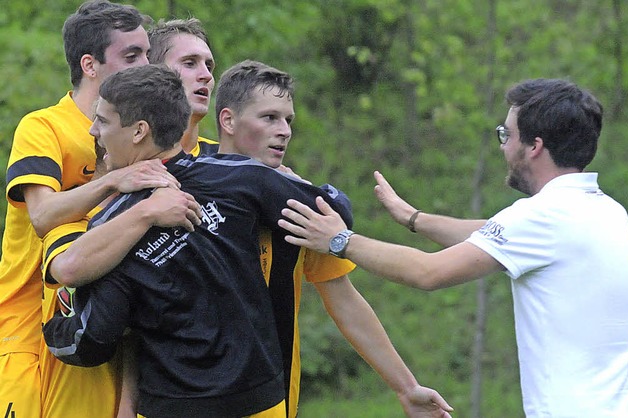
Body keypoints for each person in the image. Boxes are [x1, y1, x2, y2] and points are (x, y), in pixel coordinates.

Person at [42, 59, 453, 418]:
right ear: (227, 120)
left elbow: (342, 290)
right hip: (230, 399)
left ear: (138, 132)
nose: (284, 131)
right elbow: (108, 314)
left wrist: (405, 387)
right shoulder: (239, 182)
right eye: (270, 117)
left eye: (287, 120)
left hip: (240, 400)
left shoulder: (258, 189)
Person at [278, 78, 628, 418]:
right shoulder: (604, 210)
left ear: (535, 147)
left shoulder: (542, 217)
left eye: (507, 134)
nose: (502, 145)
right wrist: (412, 218)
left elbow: (428, 273)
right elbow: (488, 233)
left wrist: (339, 240)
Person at [0, 1, 181, 417]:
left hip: (103, 334)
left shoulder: (137, 138)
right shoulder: (44, 127)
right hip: (30, 337)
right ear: (90, 64)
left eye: (147, 54)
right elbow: (43, 216)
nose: (145, 64)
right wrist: (113, 180)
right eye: (131, 55)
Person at [147, 18, 218, 155]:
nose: (207, 76)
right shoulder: (114, 156)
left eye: (209, 67)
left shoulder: (229, 164)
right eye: (190, 63)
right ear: (152, 71)